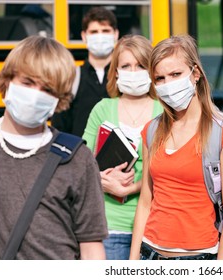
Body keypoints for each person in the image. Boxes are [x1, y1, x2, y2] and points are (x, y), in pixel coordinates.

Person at [0, 36, 108, 259]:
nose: (35, 95)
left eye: (48, 90)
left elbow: (91, 246)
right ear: (8, 80)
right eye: (27, 82)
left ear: (59, 99)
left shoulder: (78, 158)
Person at [129, 34, 223, 260]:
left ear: (196, 74)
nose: (167, 85)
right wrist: (132, 262)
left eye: (175, 74)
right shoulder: (152, 130)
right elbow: (145, 201)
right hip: (149, 254)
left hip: (198, 257)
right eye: (159, 78)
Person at [82, 34, 163, 260]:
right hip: (109, 226)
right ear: (115, 71)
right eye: (126, 65)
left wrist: (128, 189)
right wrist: (102, 180)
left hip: (154, 228)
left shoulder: (164, 111)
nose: (133, 72)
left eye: (141, 65)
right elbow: (81, 164)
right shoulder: (103, 108)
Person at [51, 6, 119, 137]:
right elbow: (59, 127)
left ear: (115, 34)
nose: (100, 36)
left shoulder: (126, 76)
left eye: (105, 31)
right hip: (80, 154)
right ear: (84, 36)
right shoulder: (72, 77)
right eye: (94, 32)